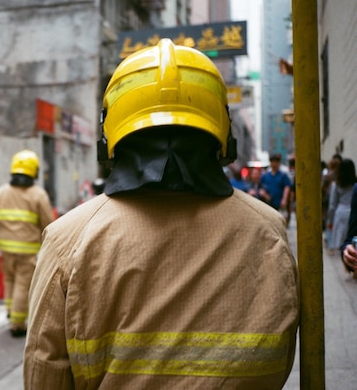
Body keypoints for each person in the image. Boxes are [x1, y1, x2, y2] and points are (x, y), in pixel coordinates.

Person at [23, 39, 299, 389]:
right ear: (223, 133)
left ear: (110, 137)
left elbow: (44, 374)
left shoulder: (68, 239)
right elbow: (283, 356)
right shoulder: (271, 230)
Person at [0, 149, 54, 337]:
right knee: (23, 285)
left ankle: (11, 312)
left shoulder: (0, 193)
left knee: (9, 280)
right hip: (28, 251)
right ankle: (17, 323)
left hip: (5, 249)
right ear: (34, 171)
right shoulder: (38, 195)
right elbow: (49, 224)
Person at [327, 159, 357, 255]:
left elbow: (332, 205)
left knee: (343, 244)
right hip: (353, 213)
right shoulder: (354, 184)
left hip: (340, 213)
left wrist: (330, 221)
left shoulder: (336, 185)